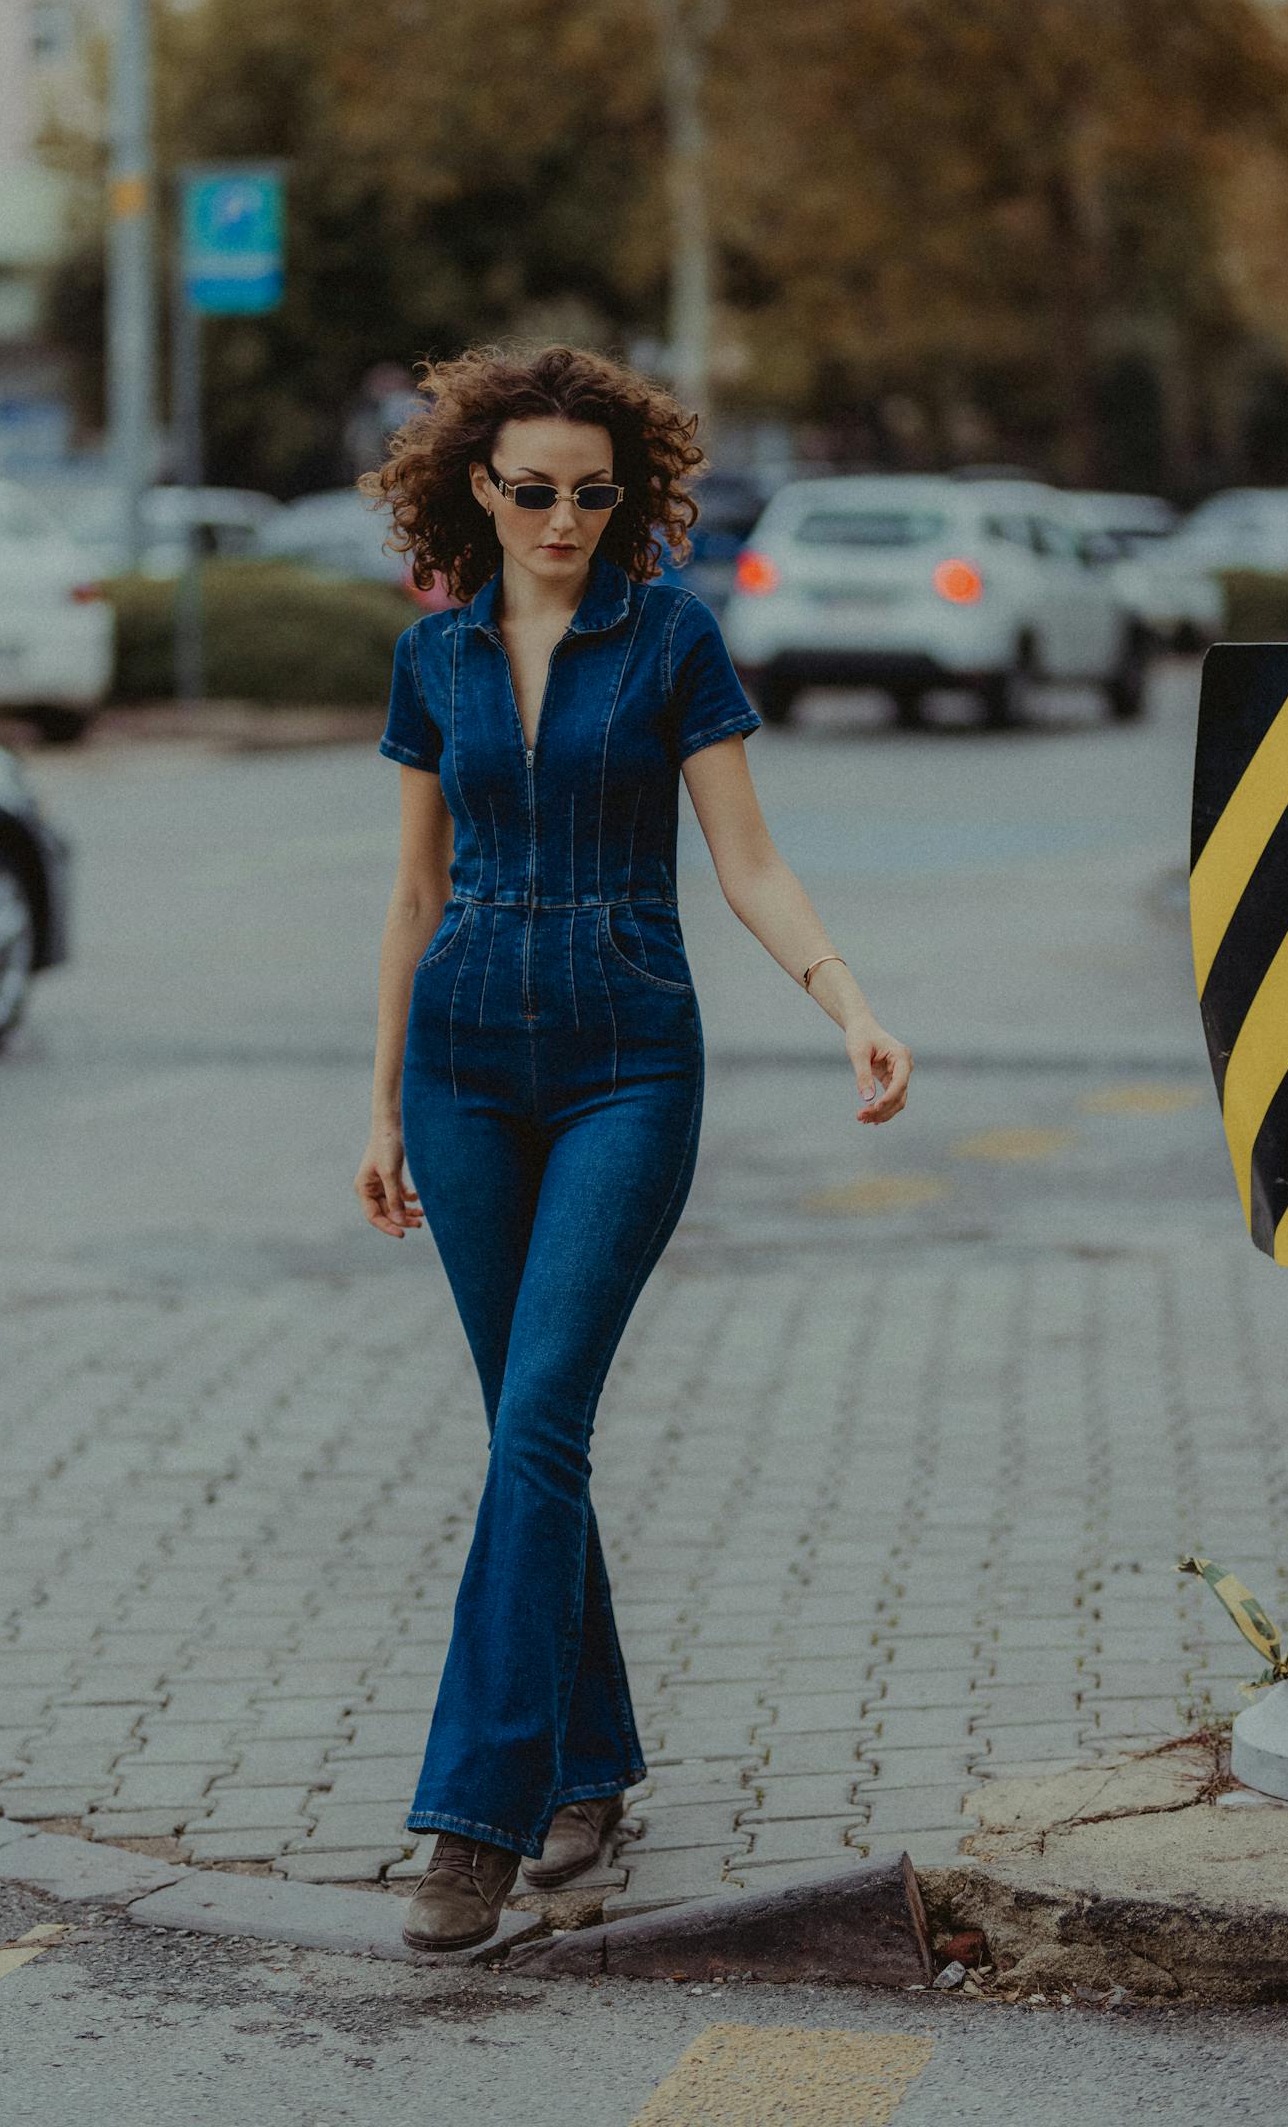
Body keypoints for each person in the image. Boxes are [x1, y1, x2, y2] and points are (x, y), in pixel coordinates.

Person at [355, 343, 913, 1951]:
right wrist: (383, 1105)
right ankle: (589, 1765)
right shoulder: (435, 661)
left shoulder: (670, 637)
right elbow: (411, 897)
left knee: (538, 1422)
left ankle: (478, 1817)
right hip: (461, 1069)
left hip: (624, 1066)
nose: (564, 519)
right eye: (533, 490)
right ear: (477, 485)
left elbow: (748, 862)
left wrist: (847, 1001)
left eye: (594, 494)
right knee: (532, 1439)